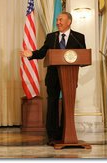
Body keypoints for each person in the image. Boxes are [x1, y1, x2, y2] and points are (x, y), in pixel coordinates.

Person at [20, 11, 86, 145]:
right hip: (53, 76)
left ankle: (66, 132)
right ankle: (52, 135)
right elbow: (43, 52)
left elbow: (83, 55)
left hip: (70, 76)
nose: (58, 22)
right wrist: (31, 54)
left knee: (68, 104)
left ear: (69, 22)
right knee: (53, 104)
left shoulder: (78, 37)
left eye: (61, 20)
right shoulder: (52, 37)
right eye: (57, 20)